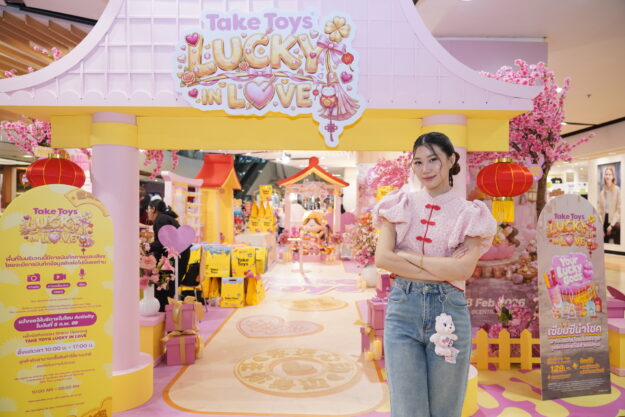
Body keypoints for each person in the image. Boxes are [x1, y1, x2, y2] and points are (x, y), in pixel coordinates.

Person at [374, 132, 497, 417]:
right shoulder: (399, 204)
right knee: (407, 410)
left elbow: (463, 270)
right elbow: (383, 259)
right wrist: (443, 269)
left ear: (451, 160)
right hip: (402, 312)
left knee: (445, 409)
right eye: (418, 162)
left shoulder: (471, 213)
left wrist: (407, 257)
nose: (425, 169)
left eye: (433, 160)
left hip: (449, 313)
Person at [147, 199, 191, 311]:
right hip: (178, 255)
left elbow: (163, 242)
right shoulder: (165, 218)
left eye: (148, 209)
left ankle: (165, 313)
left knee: (163, 286)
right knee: (167, 286)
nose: (147, 212)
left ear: (153, 209)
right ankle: (168, 313)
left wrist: (146, 246)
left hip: (175, 257)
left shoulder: (160, 219)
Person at [597, 165, 621, 244]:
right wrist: (600, 226)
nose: (607, 176)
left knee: (618, 229)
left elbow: (618, 210)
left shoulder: (617, 190)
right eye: (606, 174)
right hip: (604, 219)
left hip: (614, 220)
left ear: (613, 176)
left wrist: (611, 225)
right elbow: (599, 211)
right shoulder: (602, 192)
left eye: (609, 174)